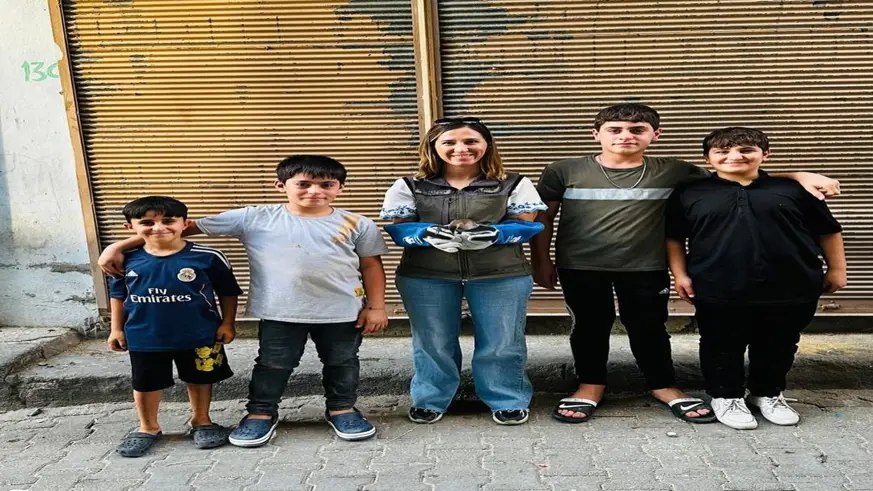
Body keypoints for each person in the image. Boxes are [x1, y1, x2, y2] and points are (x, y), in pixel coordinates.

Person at [531, 103, 842, 424]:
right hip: (581, 266)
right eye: (615, 129)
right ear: (596, 134)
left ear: (655, 134)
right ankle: (590, 385)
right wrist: (541, 260)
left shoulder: (674, 170)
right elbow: (544, 217)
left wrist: (799, 175)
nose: (625, 136)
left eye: (637, 129)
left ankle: (663, 385)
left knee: (649, 328)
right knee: (589, 326)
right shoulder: (563, 170)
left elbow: (736, 174)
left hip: (646, 266)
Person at [99, 155, 390, 447]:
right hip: (280, 312)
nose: (315, 191)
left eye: (326, 184)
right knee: (273, 364)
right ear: (280, 185)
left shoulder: (357, 223)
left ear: (340, 188)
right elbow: (177, 228)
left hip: (342, 311)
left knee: (342, 361)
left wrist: (376, 307)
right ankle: (261, 413)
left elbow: (371, 266)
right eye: (303, 184)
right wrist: (119, 246)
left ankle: (342, 409)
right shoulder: (255, 217)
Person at [666, 127, 846, 429]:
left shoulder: (797, 190)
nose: (735, 156)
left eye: (746, 150)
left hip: (791, 284)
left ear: (766, 154)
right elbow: (674, 237)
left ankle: (767, 393)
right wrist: (680, 274)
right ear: (707, 158)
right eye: (723, 151)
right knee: (721, 344)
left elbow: (828, 230)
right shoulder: (690, 193)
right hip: (718, 284)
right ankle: (726, 396)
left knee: (780, 343)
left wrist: (837, 269)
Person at [380, 117, 547, 426]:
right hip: (426, 274)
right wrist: (427, 233)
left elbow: (526, 224)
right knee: (432, 340)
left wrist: (495, 233)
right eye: (449, 142)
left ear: (487, 145)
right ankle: (430, 399)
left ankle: (507, 398)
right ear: (433, 146)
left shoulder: (513, 183)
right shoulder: (409, 185)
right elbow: (398, 228)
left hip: (501, 272)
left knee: (502, 340)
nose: (461, 148)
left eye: (471, 141)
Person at [107, 196, 243, 457]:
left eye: (168, 220)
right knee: (145, 382)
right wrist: (116, 329)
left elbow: (228, 292)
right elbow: (118, 296)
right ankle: (148, 427)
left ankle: (202, 420)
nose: (158, 227)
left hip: (200, 334)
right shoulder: (123, 259)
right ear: (130, 228)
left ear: (185, 224)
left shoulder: (209, 257)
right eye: (147, 223)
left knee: (200, 378)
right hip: (144, 335)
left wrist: (228, 323)